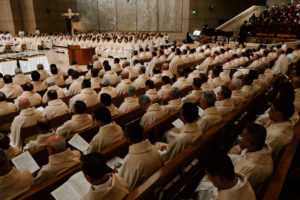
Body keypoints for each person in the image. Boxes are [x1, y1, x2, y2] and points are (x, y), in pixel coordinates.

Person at [229, 123, 273, 192]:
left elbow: (231, 189)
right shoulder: (261, 149)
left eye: (243, 136)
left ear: (250, 143)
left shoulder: (248, 168)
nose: (241, 137)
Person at [119, 122, 163, 190]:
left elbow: (124, 185)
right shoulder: (153, 148)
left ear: (128, 139)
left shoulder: (129, 159)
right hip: (157, 183)